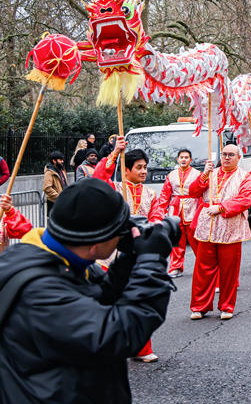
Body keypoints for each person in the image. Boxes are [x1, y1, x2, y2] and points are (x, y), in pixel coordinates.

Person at [0, 178, 174, 403]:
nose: (123, 233)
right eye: (119, 230)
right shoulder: (38, 291)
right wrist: (152, 262)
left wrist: (129, 261)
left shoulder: (54, 257)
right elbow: (119, 333)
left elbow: (97, 300)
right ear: (94, 244)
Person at [92, 140, 165, 363]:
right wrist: (114, 153)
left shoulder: (152, 194)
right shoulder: (114, 189)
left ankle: (140, 347)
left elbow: (157, 217)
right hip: (112, 255)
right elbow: (97, 180)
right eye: (138, 167)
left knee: (140, 299)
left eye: (145, 167)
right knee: (108, 301)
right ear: (126, 169)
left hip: (139, 254)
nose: (143, 171)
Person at [186, 145, 251, 320]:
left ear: (239, 157)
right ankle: (199, 306)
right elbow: (193, 192)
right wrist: (203, 174)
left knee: (229, 271)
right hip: (207, 227)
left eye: (231, 155)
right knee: (203, 269)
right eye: (224, 154)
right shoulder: (211, 173)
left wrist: (222, 207)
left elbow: (246, 199)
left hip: (230, 228)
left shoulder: (244, 177)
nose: (226, 157)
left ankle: (226, 306)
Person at [158, 149, 202, 278]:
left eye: (186, 157)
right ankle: (176, 267)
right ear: (178, 159)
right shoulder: (171, 175)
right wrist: (161, 210)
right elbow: (165, 194)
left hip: (192, 207)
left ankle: (202, 266)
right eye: (181, 157)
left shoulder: (197, 174)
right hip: (176, 208)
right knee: (176, 240)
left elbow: (200, 192)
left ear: (190, 160)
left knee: (196, 240)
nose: (183, 159)